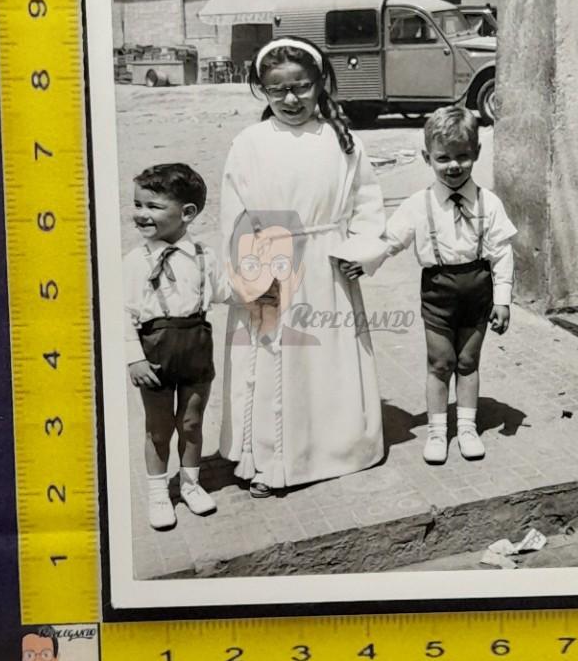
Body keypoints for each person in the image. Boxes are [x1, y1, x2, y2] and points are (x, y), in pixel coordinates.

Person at [219, 36, 386, 497]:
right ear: (262, 90)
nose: (291, 99)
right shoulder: (249, 143)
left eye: (301, 87)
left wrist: (361, 251)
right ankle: (269, 459)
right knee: (277, 358)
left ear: (320, 83)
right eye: (278, 90)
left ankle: (337, 450)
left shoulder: (342, 140)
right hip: (271, 265)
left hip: (327, 267)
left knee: (327, 361)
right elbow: (234, 212)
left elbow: (367, 201)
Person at [357, 107, 516, 464]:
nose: (453, 166)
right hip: (438, 290)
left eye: (462, 156)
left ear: (476, 152)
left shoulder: (489, 203)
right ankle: (437, 431)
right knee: (440, 362)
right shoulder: (419, 204)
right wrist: (363, 261)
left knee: (468, 361)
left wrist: (502, 300)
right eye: (443, 158)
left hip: (478, 288)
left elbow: (502, 253)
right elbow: (390, 240)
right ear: (427, 157)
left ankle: (467, 429)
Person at [123, 163, 230, 529]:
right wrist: (134, 359)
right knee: (158, 428)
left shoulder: (204, 256)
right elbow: (121, 314)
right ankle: (158, 493)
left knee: (191, 421)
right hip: (155, 353)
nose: (141, 214)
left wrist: (262, 291)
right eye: (138, 205)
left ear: (187, 213)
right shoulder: (134, 262)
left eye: (153, 206)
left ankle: (190, 484)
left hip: (197, 347)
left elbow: (225, 291)